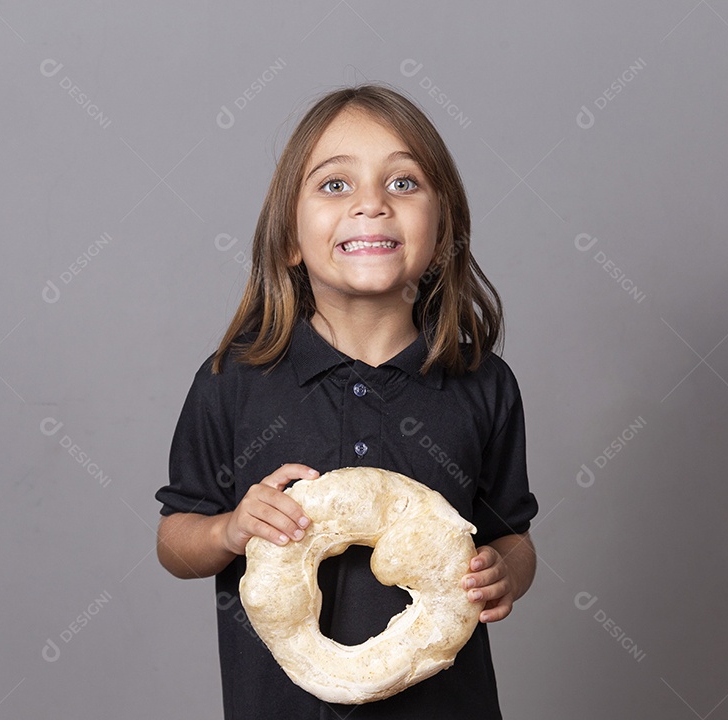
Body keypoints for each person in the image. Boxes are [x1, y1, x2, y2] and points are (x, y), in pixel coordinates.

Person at [155, 83, 539, 720]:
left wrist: (505, 571)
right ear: (290, 239)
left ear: (441, 233)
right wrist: (230, 529)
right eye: (336, 185)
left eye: (403, 183)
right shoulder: (236, 380)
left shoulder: (480, 384)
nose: (371, 204)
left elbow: (512, 535)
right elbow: (175, 541)